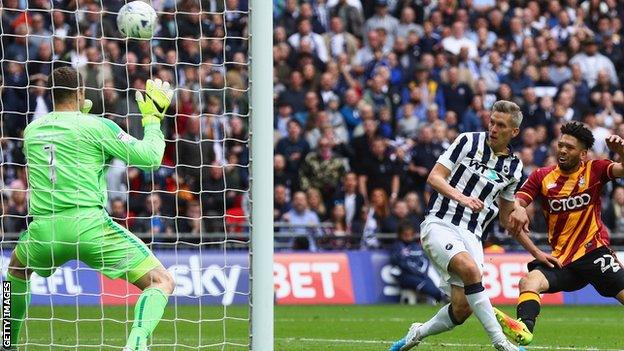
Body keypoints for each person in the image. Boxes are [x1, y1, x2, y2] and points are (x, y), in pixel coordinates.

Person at [5, 67, 175, 351]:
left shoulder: (32, 131)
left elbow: (63, 144)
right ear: (81, 93)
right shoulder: (98, 126)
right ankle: (136, 344)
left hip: (44, 232)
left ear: (50, 95)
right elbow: (150, 159)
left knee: (16, 271)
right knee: (161, 281)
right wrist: (152, 119)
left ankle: (6, 341)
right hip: (90, 226)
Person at [389, 100, 525, 351]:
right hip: (440, 223)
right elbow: (434, 177)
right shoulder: (467, 141)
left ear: (513, 132)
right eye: (492, 121)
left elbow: (507, 219)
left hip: (472, 235)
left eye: (501, 125)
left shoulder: (514, 167)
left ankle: (418, 332)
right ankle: (500, 343)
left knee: (462, 309)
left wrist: (534, 247)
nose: (493, 128)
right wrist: (462, 197)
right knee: (471, 271)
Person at [496, 122, 624, 346]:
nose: (563, 150)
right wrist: (518, 209)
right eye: (561, 145)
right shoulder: (541, 176)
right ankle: (524, 328)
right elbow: (518, 201)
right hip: (561, 259)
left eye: (570, 147)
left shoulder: (595, 169)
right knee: (528, 282)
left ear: (583, 153)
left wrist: (621, 151)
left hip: (594, 253)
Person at [390, 221, 447, 303]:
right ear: (400, 234)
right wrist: (418, 272)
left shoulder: (417, 246)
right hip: (405, 275)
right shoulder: (397, 247)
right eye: (406, 235)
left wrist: (422, 271)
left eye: (410, 235)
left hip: (421, 274)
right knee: (423, 282)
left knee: (431, 276)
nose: (408, 237)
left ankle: (443, 295)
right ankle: (441, 296)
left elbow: (425, 260)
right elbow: (401, 263)